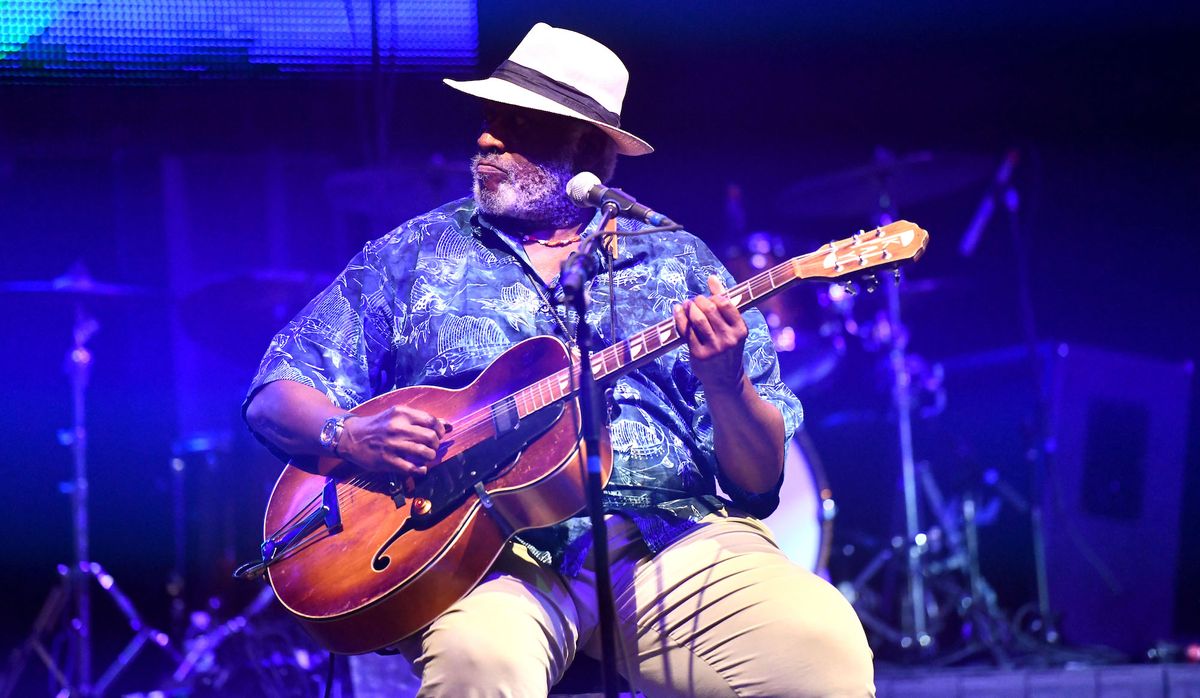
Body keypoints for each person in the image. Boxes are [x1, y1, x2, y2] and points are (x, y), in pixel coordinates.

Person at [244, 22, 874, 697]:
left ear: (585, 147)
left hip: (667, 539)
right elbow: (275, 393)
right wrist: (349, 434)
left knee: (820, 648)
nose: (487, 139)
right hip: (484, 556)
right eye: (489, 121)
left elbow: (759, 482)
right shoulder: (411, 255)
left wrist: (725, 384)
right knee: (478, 669)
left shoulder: (678, 259)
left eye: (518, 126)